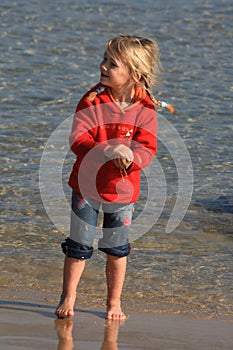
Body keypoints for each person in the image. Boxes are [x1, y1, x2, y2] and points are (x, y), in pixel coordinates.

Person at [55, 34, 174, 320]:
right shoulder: (93, 100)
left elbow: (148, 148)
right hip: (85, 187)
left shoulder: (144, 108)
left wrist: (132, 159)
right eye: (104, 60)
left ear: (134, 73)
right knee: (79, 246)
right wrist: (108, 149)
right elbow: (77, 139)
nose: (104, 66)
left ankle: (114, 303)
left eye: (113, 63)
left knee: (117, 250)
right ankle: (68, 296)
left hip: (123, 193)